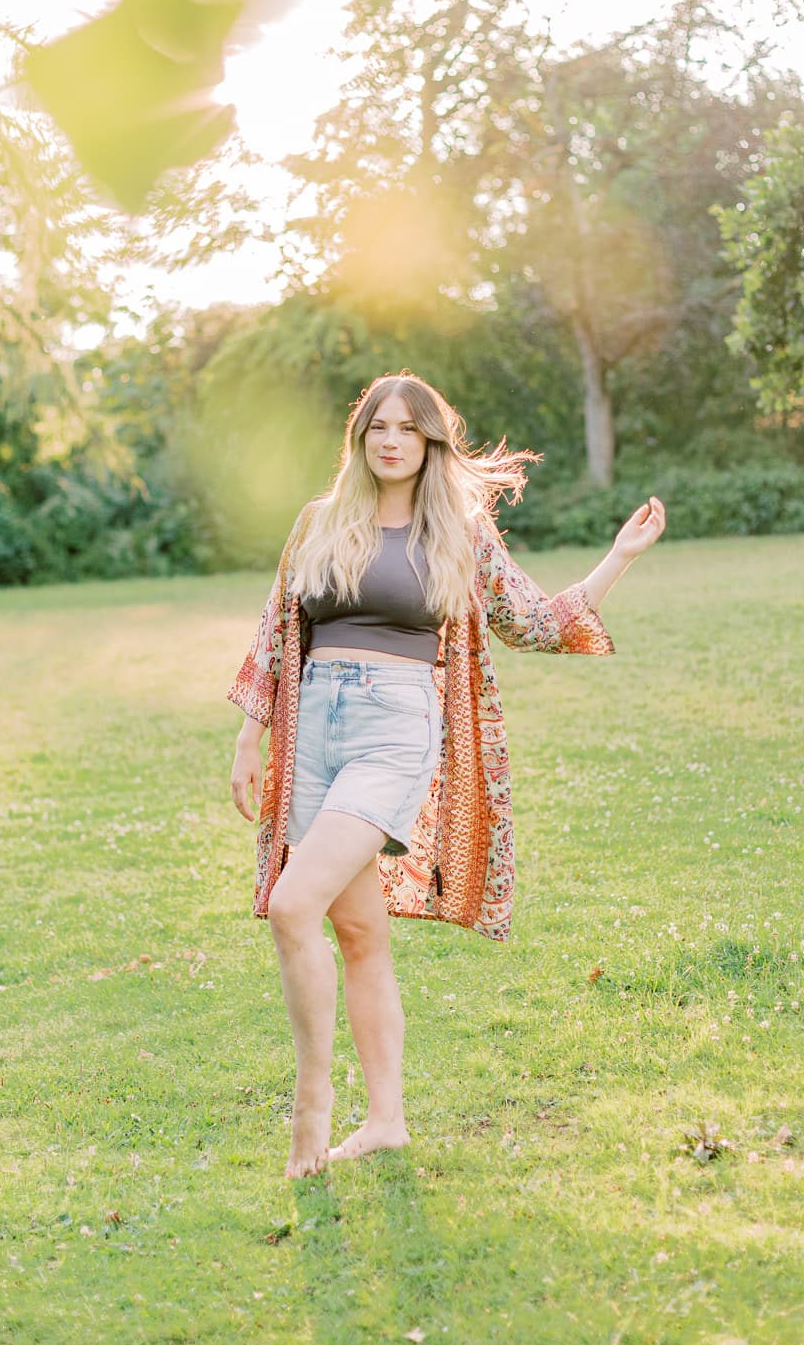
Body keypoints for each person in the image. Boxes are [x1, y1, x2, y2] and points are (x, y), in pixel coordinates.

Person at [227, 372, 665, 1179]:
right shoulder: (320, 523)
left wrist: (617, 559)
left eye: (409, 429)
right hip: (313, 727)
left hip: (392, 734)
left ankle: (310, 1115)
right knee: (357, 933)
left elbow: (530, 620)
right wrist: (250, 736)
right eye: (377, 427)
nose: (391, 440)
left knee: (295, 905)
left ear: (431, 442)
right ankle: (386, 1120)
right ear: (359, 439)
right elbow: (275, 628)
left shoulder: (457, 531)